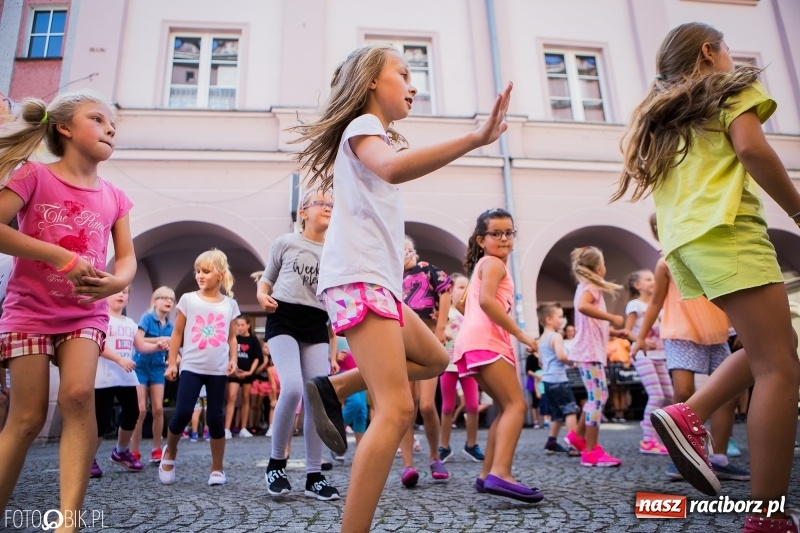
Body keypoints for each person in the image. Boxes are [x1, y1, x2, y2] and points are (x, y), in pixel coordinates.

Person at [292, 43, 512, 531]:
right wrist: (475, 138)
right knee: (394, 411)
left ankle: (334, 385)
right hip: (359, 278)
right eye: (404, 73)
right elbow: (391, 168)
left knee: (435, 358)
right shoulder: (364, 126)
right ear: (372, 80)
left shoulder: (371, 133)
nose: (414, 85)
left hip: (377, 283)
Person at [614, 22, 800, 531]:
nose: (731, 57)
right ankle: (767, 516)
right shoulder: (731, 85)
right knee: (780, 369)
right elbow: (753, 150)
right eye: (727, 49)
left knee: (772, 350)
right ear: (708, 51)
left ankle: (689, 413)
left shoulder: (672, 112)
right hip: (728, 233)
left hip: (688, 243)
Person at [0, 90, 136, 524]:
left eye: (112, 124)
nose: (110, 128)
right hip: (30, 310)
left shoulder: (115, 196)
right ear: (64, 127)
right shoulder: (33, 175)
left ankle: (69, 520)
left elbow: (127, 257)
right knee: (26, 417)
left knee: (79, 397)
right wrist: (61, 257)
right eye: (98, 119)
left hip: (84, 312)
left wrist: (117, 280)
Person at [632, 224, 750, 482]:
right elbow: (655, 302)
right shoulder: (666, 262)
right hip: (680, 332)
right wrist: (640, 337)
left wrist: (739, 325)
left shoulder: (709, 252)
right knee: (683, 393)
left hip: (717, 332)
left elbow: (727, 292)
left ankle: (719, 459)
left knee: (729, 395)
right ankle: (682, 458)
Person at [453, 208, 542, 503]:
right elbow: (487, 302)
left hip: (474, 343)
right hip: (487, 343)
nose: (504, 238)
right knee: (517, 406)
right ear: (482, 239)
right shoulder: (493, 264)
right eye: (496, 233)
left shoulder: (484, 264)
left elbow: (465, 306)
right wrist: (521, 334)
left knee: (505, 408)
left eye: (509, 232)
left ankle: (486, 474)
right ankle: (501, 474)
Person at [257, 188, 340, 501]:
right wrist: (260, 295)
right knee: (292, 388)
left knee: (317, 398)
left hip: (316, 323)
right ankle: (276, 464)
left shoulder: (335, 249)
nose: (328, 207)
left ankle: (314, 475)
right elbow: (267, 278)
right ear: (303, 212)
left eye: (332, 204)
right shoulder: (287, 242)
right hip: (283, 317)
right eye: (321, 202)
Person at [159, 249, 240, 486]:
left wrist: (233, 359)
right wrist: (173, 362)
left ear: (220, 274)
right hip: (192, 366)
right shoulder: (188, 299)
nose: (200, 276)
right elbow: (177, 333)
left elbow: (232, 337)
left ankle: (217, 468)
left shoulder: (230, 305)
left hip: (218, 369)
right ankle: (170, 453)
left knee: (216, 417)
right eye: (197, 271)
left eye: (206, 271)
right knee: (183, 412)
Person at [397, 236, 453, 486]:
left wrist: (441, 328)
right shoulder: (391, 279)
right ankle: (407, 465)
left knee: (427, 405)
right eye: (400, 250)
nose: (405, 253)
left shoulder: (427, 269)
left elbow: (446, 291)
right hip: (403, 344)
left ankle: (434, 456)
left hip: (429, 338)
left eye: (408, 249)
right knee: (406, 405)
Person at [565, 246, 625, 467]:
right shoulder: (591, 287)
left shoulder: (586, 286)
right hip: (589, 352)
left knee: (594, 397)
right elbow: (582, 308)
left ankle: (577, 438)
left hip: (590, 351)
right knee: (598, 398)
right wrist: (613, 317)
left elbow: (591, 321)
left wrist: (615, 331)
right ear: (599, 268)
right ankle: (591, 452)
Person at [91, 287, 143, 478]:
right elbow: (98, 344)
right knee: (100, 420)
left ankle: (120, 452)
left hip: (126, 376)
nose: (122, 294)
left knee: (133, 413)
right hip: (103, 377)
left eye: (126, 292)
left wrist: (160, 344)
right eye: (117, 291)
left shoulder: (130, 323)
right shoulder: (101, 318)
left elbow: (141, 345)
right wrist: (119, 359)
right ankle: (88, 458)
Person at [623, 270, 671, 455]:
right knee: (656, 395)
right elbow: (627, 332)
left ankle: (656, 430)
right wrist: (640, 339)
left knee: (669, 395)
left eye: (653, 278)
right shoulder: (635, 305)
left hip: (660, 355)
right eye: (648, 279)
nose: (653, 281)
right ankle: (648, 440)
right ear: (638, 285)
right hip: (642, 355)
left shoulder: (660, 305)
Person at [439, 272, 484, 462]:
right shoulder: (446, 314)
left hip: (468, 364)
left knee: (473, 405)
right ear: (450, 290)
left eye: (467, 287)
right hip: (449, 365)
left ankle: (471, 445)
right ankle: (443, 446)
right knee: (448, 406)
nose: (464, 290)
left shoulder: (471, 313)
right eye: (460, 287)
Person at [131, 286, 175, 464]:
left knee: (158, 409)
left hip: (157, 366)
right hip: (140, 365)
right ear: (154, 301)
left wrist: (171, 360)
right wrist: (161, 341)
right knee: (140, 410)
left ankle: (156, 449)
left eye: (171, 299)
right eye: (164, 298)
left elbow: (171, 346)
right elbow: (138, 340)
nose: (168, 301)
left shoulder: (171, 325)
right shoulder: (147, 317)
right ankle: (133, 450)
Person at [536, 303, 580, 456]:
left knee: (557, 413)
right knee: (570, 411)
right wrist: (573, 361)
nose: (562, 320)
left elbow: (540, 361)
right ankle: (573, 445)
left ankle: (551, 442)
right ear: (549, 319)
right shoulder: (556, 336)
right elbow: (561, 356)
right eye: (560, 317)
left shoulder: (541, 339)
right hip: (559, 379)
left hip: (547, 380)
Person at [224, 316, 263, 439]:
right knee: (231, 397)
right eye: (237, 325)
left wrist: (250, 372)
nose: (240, 327)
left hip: (247, 374)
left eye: (242, 325)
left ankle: (243, 428)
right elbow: (227, 354)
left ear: (248, 325)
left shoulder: (253, 340)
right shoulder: (233, 338)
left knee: (246, 399)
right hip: (234, 373)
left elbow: (257, 357)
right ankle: (227, 428)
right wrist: (233, 369)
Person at [606, 336, 632, 423]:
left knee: (623, 391)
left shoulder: (623, 341)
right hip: (612, 365)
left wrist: (628, 362)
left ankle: (622, 414)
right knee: (615, 391)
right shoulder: (606, 343)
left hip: (623, 365)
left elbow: (631, 352)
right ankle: (617, 414)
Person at [525, 350, 544, 429]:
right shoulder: (530, 357)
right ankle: (536, 421)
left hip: (544, 378)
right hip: (534, 379)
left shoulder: (543, 355)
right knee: (535, 401)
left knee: (545, 400)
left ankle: (544, 420)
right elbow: (528, 370)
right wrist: (536, 375)